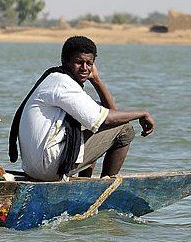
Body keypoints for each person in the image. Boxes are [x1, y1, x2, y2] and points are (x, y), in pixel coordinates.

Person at [8, 36, 155, 181]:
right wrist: (143, 113)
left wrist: (96, 80)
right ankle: (105, 186)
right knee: (125, 129)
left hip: (34, 168)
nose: (84, 68)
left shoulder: (56, 78)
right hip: (49, 168)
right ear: (65, 62)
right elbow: (107, 119)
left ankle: (87, 183)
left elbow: (110, 112)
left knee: (95, 120)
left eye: (89, 63)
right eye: (79, 62)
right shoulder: (63, 84)